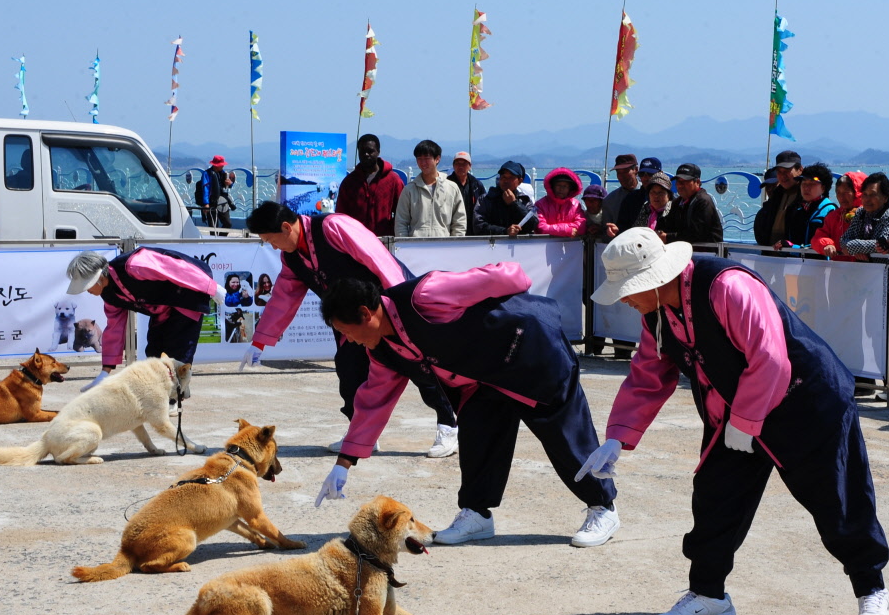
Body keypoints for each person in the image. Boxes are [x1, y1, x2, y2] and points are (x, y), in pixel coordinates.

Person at [580, 229, 889, 615]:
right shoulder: (655, 314)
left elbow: (771, 358)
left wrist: (744, 423)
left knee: (838, 499)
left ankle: (872, 588)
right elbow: (647, 375)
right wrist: (616, 437)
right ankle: (709, 596)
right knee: (715, 498)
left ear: (656, 278)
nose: (623, 298)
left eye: (627, 288)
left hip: (807, 403)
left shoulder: (728, 286)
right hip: (733, 413)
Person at [316, 267, 620, 549]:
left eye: (347, 331)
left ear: (365, 313)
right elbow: (373, 402)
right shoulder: (382, 348)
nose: (350, 341)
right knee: (477, 434)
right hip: (482, 378)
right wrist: (343, 464)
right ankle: (477, 515)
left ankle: (603, 507)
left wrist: (504, 313)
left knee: (565, 436)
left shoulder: (424, 295)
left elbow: (508, 275)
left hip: (530, 351)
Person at [244, 201, 459, 459]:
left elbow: (378, 258)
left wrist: (400, 304)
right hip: (348, 323)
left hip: (388, 310)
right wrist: (259, 341)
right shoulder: (291, 258)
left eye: (270, 239)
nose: (272, 246)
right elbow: (283, 298)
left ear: (286, 227)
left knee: (418, 368)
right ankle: (363, 435)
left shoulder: (333, 227)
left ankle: (449, 425)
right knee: (349, 374)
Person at [65, 248, 219, 391]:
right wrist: (104, 373)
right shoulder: (109, 296)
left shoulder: (134, 264)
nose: (87, 291)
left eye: (87, 287)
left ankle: (173, 399)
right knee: (154, 354)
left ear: (97, 278)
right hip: (162, 312)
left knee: (177, 355)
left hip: (187, 298)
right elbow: (114, 330)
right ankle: (166, 396)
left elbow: (175, 268)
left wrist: (211, 287)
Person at [335, 133, 404, 237]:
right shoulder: (349, 182)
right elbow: (341, 215)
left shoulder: (393, 180)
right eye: (362, 152)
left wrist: (391, 232)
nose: (366, 154)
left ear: (378, 152)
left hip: (384, 241)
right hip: (357, 241)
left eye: (370, 151)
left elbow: (403, 213)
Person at [395, 140, 467, 238]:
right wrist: (404, 245)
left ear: (437, 159)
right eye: (419, 159)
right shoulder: (409, 190)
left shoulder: (451, 188)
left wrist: (454, 245)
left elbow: (459, 222)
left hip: (444, 247)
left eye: (427, 158)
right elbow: (401, 222)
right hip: (416, 248)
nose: (423, 163)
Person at [841, 173, 889, 260]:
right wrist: (859, 250)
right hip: (867, 270)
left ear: (885, 198)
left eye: (872, 195)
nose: (867, 199)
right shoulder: (860, 213)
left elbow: (884, 245)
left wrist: (851, 247)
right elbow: (843, 240)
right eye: (864, 194)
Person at [474, 161, 538, 237]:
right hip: (491, 246)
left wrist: (515, 204)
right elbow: (478, 226)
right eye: (503, 177)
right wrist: (505, 231)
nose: (506, 181)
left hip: (519, 246)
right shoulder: (485, 199)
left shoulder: (524, 200)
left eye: (511, 177)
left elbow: (533, 224)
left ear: (520, 181)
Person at [753, 150, 803, 248]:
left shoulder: (807, 198)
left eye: (787, 171)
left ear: (800, 170)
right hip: (771, 257)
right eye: (779, 171)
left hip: (796, 258)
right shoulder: (775, 198)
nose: (783, 176)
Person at [812, 172, 866, 260]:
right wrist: (827, 244)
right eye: (838, 192)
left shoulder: (869, 215)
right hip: (838, 270)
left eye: (846, 192)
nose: (841, 197)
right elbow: (817, 238)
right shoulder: (833, 217)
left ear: (858, 192)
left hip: (867, 269)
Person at [784, 163, 838, 249]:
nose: (806, 188)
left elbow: (832, 243)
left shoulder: (831, 210)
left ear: (823, 188)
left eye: (812, 183)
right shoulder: (794, 209)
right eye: (804, 183)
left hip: (820, 261)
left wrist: (794, 248)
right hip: (794, 261)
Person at [669, 163, 723, 246]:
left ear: (697, 182)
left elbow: (696, 234)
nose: (680, 185)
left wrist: (668, 237)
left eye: (684, 182)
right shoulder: (677, 203)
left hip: (708, 253)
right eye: (678, 181)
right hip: (684, 250)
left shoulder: (704, 201)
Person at [602, 154, 644, 236]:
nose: (622, 177)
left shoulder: (650, 195)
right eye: (618, 173)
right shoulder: (610, 201)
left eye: (625, 172)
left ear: (636, 170)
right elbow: (605, 228)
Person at [536, 168, 586, 237]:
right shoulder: (540, 205)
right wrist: (566, 230)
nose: (561, 189)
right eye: (558, 185)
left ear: (570, 189)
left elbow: (581, 226)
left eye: (565, 186)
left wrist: (552, 228)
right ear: (552, 187)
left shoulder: (576, 205)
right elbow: (541, 228)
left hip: (570, 247)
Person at [448, 151, 486, 235]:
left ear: (470, 166)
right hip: (452, 227)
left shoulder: (477, 185)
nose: (460, 167)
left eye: (464, 164)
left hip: (472, 228)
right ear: (453, 165)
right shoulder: (447, 183)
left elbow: (484, 207)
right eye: (457, 163)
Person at [635, 171, 679, 242]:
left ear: (668, 195)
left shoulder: (675, 209)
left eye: (660, 193)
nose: (656, 196)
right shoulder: (646, 208)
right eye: (653, 192)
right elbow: (636, 231)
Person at [201, 155, 235, 230]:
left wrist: (230, 184)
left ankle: (221, 238)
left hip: (221, 201)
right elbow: (205, 188)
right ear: (216, 165)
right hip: (211, 201)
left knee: (228, 224)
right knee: (213, 226)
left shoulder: (223, 173)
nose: (223, 166)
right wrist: (206, 203)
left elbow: (229, 185)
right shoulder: (207, 174)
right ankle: (214, 240)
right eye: (221, 165)